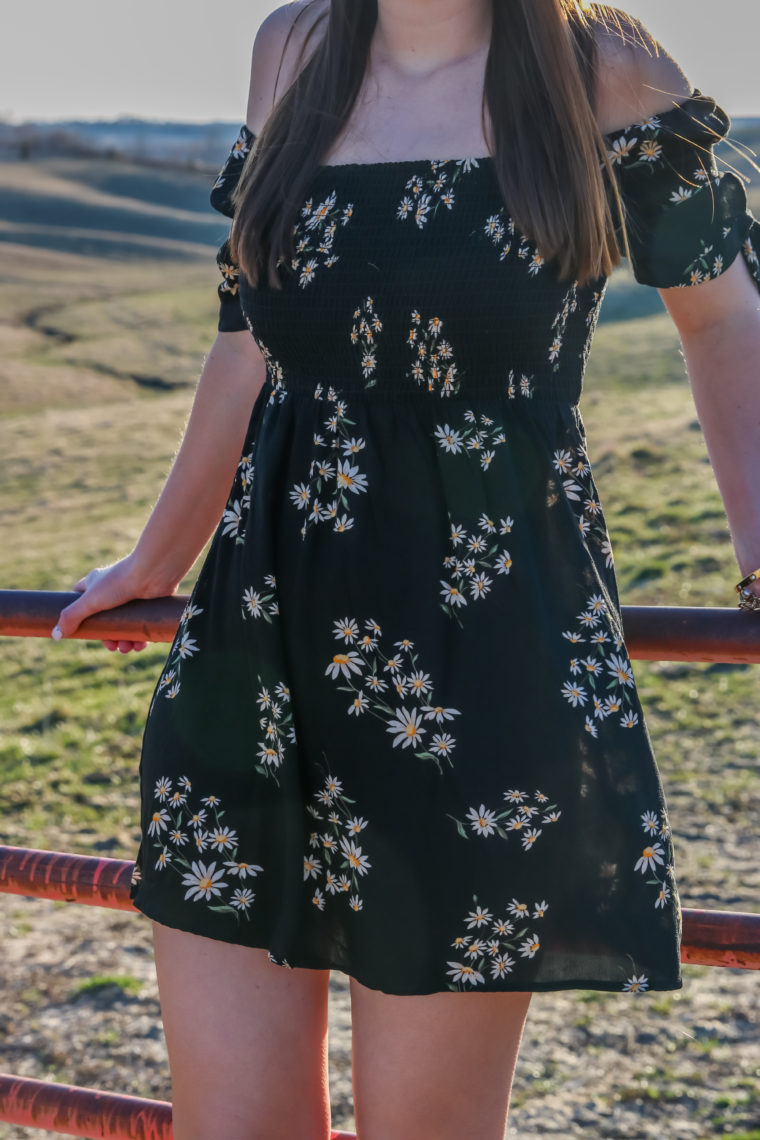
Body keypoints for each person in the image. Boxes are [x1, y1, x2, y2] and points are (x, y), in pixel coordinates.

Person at [51, 1, 760, 1137]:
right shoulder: (287, 51)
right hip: (259, 655)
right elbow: (245, 338)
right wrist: (157, 555)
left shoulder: (604, 70)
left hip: (484, 680)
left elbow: (721, 322)